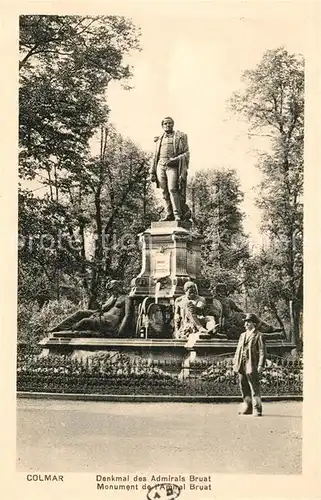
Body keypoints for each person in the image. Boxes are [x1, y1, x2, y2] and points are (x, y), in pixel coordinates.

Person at [50, 280, 133, 337]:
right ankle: (59, 327)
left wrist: (120, 332)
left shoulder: (126, 298)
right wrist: (111, 302)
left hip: (108, 323)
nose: (112, 292)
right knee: (80, 313)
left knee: (84, 321)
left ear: (118, 287)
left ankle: (67, 331)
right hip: (101, 315)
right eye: (111, 290)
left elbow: (128, 315)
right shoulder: (113, 297)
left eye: (113, 289)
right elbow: (103, 308)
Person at [150, 116, 191, 221]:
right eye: (165, 123)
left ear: (173, 124)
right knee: (164, 191)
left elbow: (186, 153)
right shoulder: (159, 138)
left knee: (173, 189)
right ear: (162, 125)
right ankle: (169, 214)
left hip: (172, 166)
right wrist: (152, 172)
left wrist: (176, 160)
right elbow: (155, 156)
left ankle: (177, 214)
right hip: (160, 165)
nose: (168, 125)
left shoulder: (180, 137)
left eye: (170, 123)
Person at [233, 313, 266, 417]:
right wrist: (235, 363)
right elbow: (238, 350)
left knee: (254, 388)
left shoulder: (259, 335)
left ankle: (257, 409)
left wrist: (260, 365)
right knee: (243, 387)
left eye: (249, 322)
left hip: (252, 364)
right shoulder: (242, 335)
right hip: (241, 364)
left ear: (254, 324)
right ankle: (247, 407)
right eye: (246, 322)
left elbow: (262, 352)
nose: (246, 324)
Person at [174, 281, 218, 349]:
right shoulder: (179, 300)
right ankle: (200, 329)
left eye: (194, 292)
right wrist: (176, 318)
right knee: (189, 307)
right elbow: (176, 313)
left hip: (200, 318)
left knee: (211, 318)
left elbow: (202, 308)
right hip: (188, 322)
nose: (192, 294)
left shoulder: (201, 299)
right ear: (185, 291)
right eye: (190, 292)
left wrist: (196, 307)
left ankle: (211, 329)